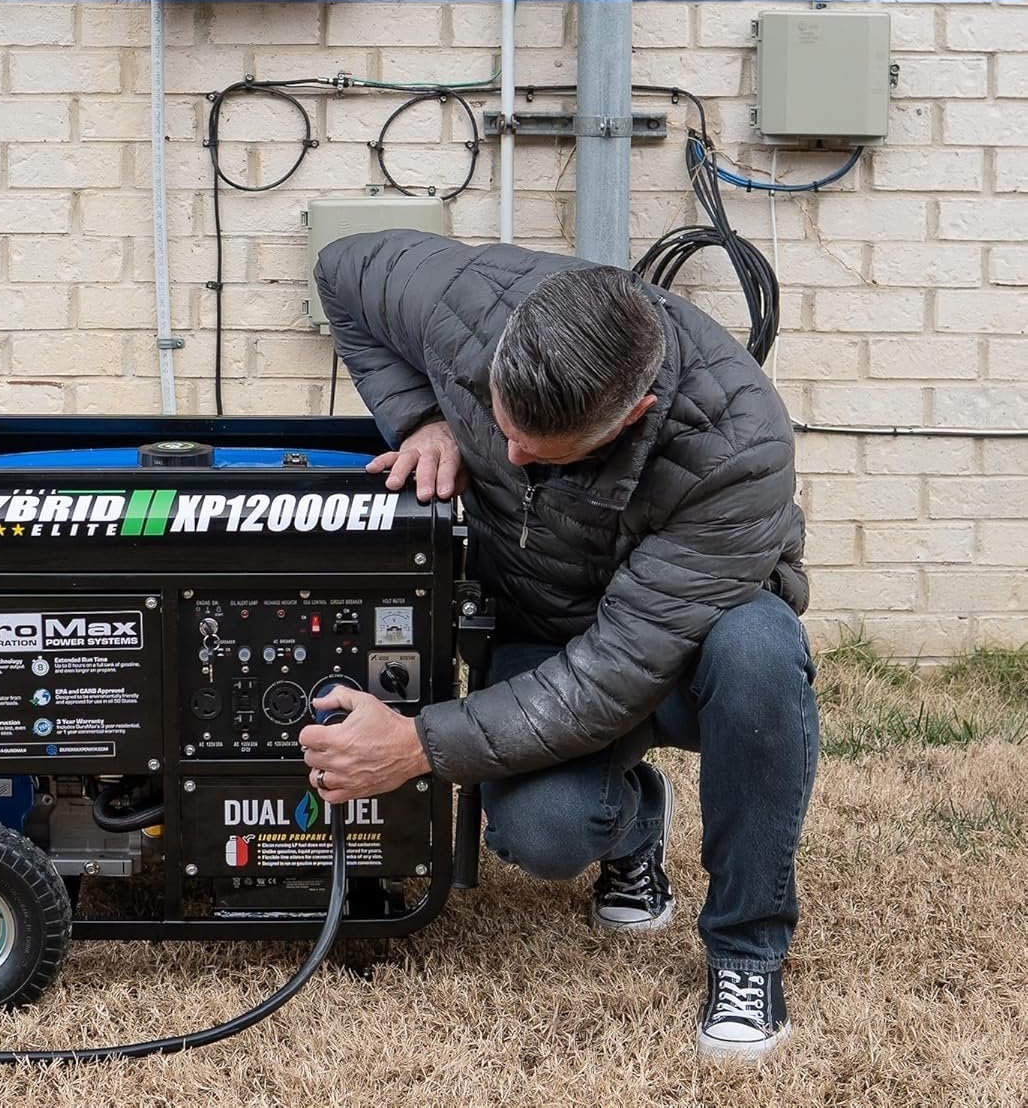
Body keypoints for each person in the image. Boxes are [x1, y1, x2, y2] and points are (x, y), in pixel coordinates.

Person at [299, 230, 817, 1064]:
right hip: (540, 624)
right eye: (499, 427)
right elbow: (340, 269)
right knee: (542, 831)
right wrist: (423, 418)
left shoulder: (739, 449)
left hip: (686, 646)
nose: (506, 457)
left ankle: (746, 952)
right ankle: (634, 829)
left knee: (761, 651)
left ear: (633, 416)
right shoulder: (465, 299)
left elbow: (614, 674)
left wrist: (417, 743)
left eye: (536, 452)